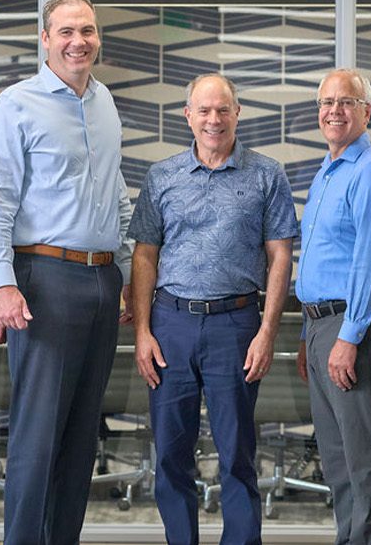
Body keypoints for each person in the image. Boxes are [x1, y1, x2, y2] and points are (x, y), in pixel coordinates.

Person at [0, 0, 133, 544]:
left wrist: (128, 276)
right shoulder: (16, 104)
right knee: (37, 439)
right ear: (45, 40)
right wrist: (2, 284)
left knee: (81, 439)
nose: (78, 41)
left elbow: (117, 197)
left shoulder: (105, 102)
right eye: (66, 31)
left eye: (87, 30)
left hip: (102, 281)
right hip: (45, 281)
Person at [130, 73, 297, 545]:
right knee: (170, 455)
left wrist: (267, 333)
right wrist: (142, 332)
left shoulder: (267, 175)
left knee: (237, 455)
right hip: (171, 326)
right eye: (203, 110)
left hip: (236, 325)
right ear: (188, 116)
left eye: (223, 109)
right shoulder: (162, 177)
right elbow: (144, 256)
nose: (213, 119)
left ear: (237, 114)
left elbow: (280, 256)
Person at [294, 69, 371, 544]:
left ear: (366, 112)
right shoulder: (326, 173)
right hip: (321, 327)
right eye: (327, 102)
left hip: (354, 326)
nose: (334, 111)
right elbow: (322, 261)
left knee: (365, 459)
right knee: (337, 463)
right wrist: (308, 335)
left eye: (346, 102)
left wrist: (348, 337)